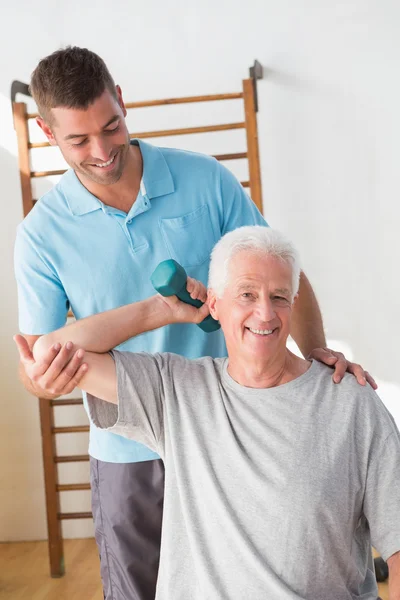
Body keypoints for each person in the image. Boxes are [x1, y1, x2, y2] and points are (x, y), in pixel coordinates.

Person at [14, 46, 375, 599]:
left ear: (123, 103)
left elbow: (280, 270)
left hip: (227, 433)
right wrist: (55, 371)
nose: (103, 150)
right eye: (79, 140)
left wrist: (318, 349)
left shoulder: (204, 180)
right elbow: (39, 367)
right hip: (128, 451)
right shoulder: (41, 234)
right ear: (45, 131)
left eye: (111, 127)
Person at [22, 226, 400, 600]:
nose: (265, 313)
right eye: (247, 294)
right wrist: (159, 310)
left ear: (294, 302)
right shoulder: (176, 389)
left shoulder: (351, 402)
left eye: (279, 296)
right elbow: (50, 351)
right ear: (215, 305)